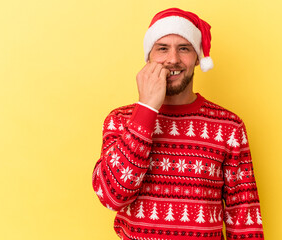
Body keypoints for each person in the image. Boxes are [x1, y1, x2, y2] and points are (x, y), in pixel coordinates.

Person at [92, 8, 264, 240]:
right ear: (149, 57)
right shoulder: (120, 121)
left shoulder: (229, 127)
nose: (173, 59)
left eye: (184, 48)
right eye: (162, 48)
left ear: (197, 58)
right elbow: (112, 197)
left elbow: (245, 218)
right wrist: (146, 111)